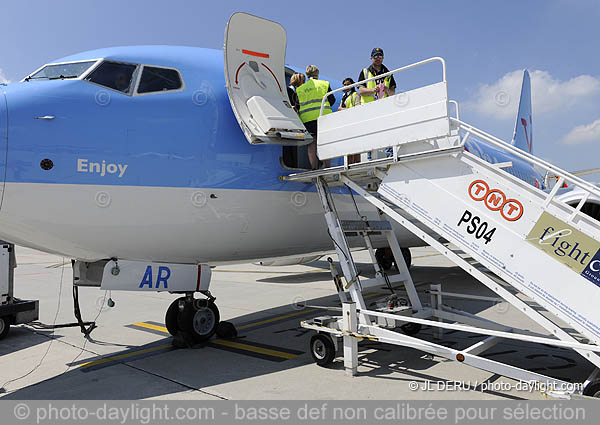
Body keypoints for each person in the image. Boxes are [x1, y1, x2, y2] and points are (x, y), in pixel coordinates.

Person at [296, 65, 335, 169]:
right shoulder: (324, 84)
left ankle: (314, 167)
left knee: (312, 143)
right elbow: (332, 100)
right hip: (323, 118)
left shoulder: (300, 89)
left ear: (307, 74)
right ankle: (327, 166)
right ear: (317, 74)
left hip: (308, 119)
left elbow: (298, 105)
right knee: (325, 141)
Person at [338, 78, 361, 164]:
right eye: (344, 85)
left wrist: (342, 109)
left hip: (353, 123)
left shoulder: (355, 95)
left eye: (348, 84)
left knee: (355, 145)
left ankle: (356, 163)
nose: (346, 86)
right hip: (345, 123)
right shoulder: (343, 97)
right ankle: (349, 163)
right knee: (348, 146)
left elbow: (357, 109)